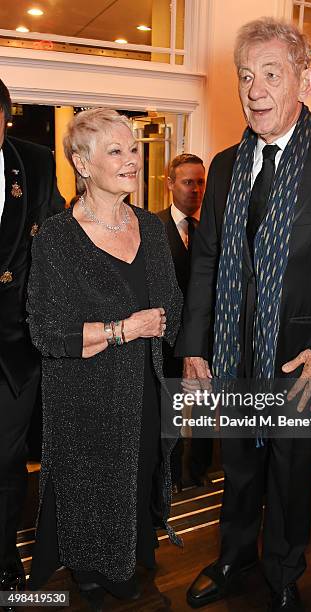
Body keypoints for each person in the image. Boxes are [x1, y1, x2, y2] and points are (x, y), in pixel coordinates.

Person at [175, 18, 311, 612]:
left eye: (272, 73)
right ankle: (233, 555)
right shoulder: (223, 167)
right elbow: (208, 261)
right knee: (239, 468)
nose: (255, 88)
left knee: (291, 477)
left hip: (305, 360)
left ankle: (284, 568)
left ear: (305, 80)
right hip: (234, 355)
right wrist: (196, 345)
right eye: (247, 76)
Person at [26, 108, 183, 610]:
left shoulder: (151, 229)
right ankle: (93, 570)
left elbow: (171, 306)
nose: (132, 160)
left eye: (133, 149)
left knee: (139, 472)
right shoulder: (56, 238)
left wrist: (168, 327)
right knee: (91, 484)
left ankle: (130, 554)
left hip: (146, 385)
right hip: (84, 396)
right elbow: (47, 333)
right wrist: (124, 329)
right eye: (115, 151)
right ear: (82, 163)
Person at [0, 79, 64, 610]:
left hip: (14, 351)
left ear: (6, 118)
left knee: (5, 463)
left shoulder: (36, 163)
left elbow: (62, 244)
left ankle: (2, 559)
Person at [157, 154, 213, 492]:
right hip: (167, 343)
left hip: (207, 341)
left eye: (200, 182)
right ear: (170, 184)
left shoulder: (214, 228)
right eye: (187, 182)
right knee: (170, 414)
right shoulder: (151, 227)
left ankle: (200, 469)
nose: (195, 189)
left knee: (206, 411)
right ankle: (172, 476)